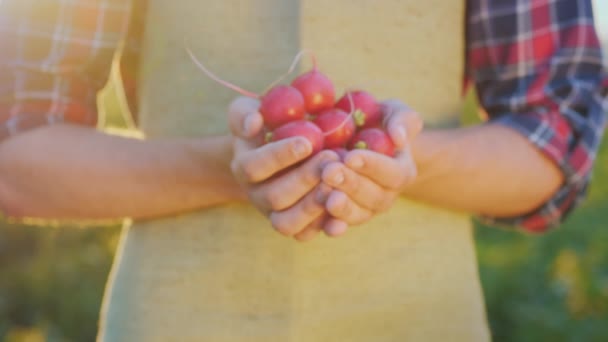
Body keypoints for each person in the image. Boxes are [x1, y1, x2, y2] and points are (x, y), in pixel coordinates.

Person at [0, 0, 606, 341]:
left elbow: (554, 142)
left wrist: (401, 161)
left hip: (421, 321)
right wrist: (225, 168)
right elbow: (17, 161)